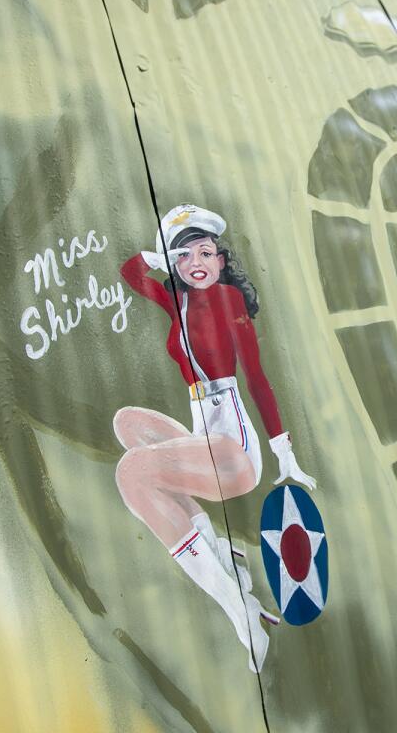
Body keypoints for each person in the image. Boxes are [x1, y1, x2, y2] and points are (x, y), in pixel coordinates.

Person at [115, 203, 315, 672]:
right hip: (203, 432)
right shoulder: (177, 301)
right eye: (183, 258)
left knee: (133, 473)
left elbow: (258, 379)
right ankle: (223, 552)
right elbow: (131, 271)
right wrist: (158, 257)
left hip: (233, 449)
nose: (195, 264)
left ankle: (235, 606)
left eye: (204, 252)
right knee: (128, 424)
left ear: (221, 259)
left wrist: (283, 452)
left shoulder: (228, 301)